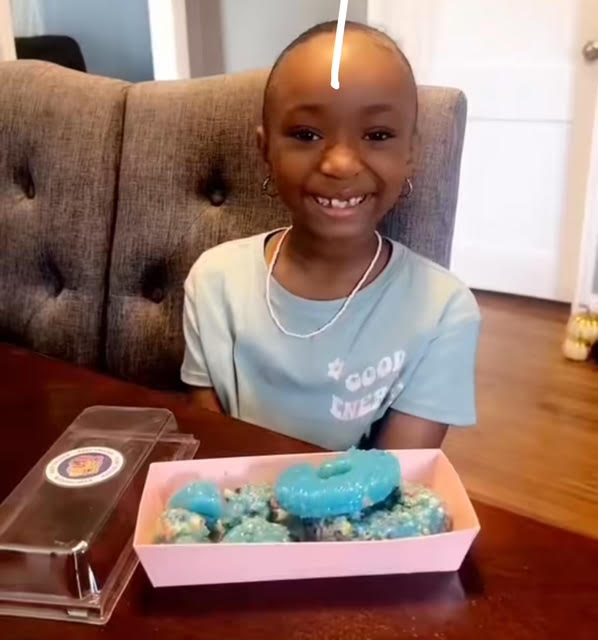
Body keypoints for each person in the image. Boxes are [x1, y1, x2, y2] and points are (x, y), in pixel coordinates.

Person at [181, 21, 480, 450]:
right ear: (266, 150)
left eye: (377, 135)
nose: (340, 164)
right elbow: (213, 448)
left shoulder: (444, 311)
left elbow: (396, 472)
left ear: (411, 152)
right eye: (307, 135)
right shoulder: (214, 281)